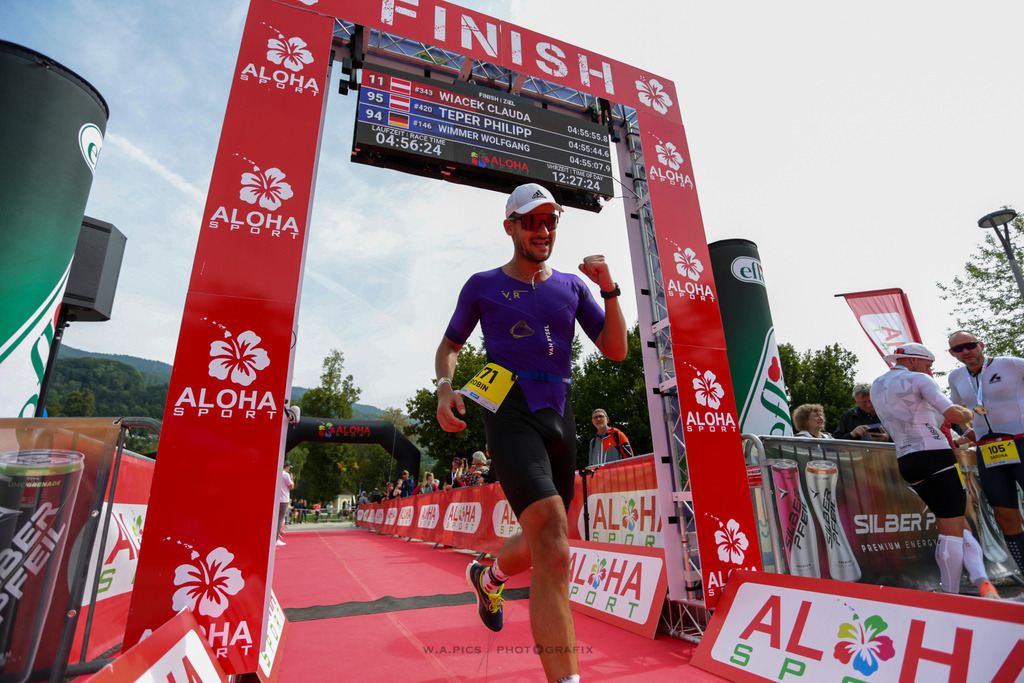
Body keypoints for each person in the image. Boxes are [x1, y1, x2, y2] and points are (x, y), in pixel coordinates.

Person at [435, 182, 627, 682]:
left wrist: (608, 290)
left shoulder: (571, 286)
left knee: (548, 537)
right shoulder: (481, 285)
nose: (543, 230)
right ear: (511, 227)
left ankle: (489, 576)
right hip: (510, 410)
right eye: (532, 221)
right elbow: (450, 347)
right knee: (555, 544)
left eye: (551, 220)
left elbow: (615, 350)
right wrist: (444, 388)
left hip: (561, 411)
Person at [871, 343, 997, 598]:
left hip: (906, 459)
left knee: (958, 521)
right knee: (950, 528)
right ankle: (951, 596)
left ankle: (981, 580)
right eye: (928, 365)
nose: (929, 371)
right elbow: (955, 415)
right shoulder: (919, 379)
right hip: (935, 454)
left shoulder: (877, 384)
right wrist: (970, 410)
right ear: (914, 360)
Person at [947, 329, 1024, 575]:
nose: (965, 351)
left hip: (1021, 441)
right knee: (1003, 513)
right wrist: (969, 431)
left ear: (980, 344)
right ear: (952, 353)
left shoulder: (1012, 365)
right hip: (988, 449)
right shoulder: (956, 377)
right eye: (958, 349)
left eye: (970, 345)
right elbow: (959, 411)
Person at [277, 461, 294, 546]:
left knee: (277, 519)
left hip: (277, 499)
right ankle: (276, 539)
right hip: (284, 499)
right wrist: (292, 479)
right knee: (280, 519)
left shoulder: (277, 473)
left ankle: (274, 538)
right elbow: (291, 487)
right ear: (288, 467)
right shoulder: (286, 474)